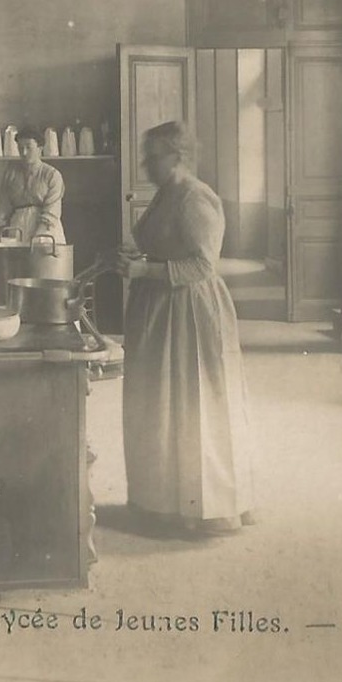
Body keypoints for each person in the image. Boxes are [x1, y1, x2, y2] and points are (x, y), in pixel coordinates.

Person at [115, 121, 255, 537]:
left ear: (177, 156)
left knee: (192, 403)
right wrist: (136, 255)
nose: (145, 165)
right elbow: (163, 244)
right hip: (160, 309)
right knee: (160, 404)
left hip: (190, 312)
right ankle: (161, 501)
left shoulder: (196, 197)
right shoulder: (166, 194)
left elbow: (202, 265)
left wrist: (144, 268)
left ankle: (202, 507)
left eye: (153, 157)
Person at [0, 134, 66, 243]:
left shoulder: (52, 175)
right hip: (17, 228)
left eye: (28, 147)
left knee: (42, 258)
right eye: (20, 148)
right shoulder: (10, 174)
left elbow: (52, 211)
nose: (24, 153)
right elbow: (2, 207)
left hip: (46, 230)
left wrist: (38, 236)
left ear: (40, 148)